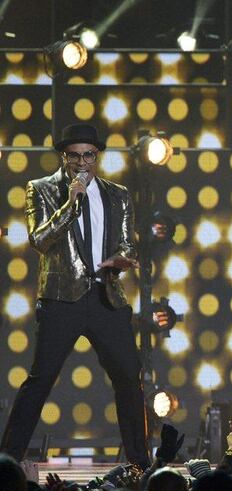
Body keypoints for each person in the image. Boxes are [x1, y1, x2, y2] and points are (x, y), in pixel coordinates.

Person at [0, 123, 149, 467]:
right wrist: (71, 202)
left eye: (89, 156)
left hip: (106, 297)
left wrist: (121, 259)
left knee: (129, 376)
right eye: (75, 156)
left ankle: (140, 461)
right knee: (40, 379)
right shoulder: (41, 189)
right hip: (61, 299)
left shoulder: (118, 194)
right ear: (63, 157)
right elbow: (39, 239)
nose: (82, 163)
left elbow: (127, 240)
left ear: (98, 157)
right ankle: (8, 459)